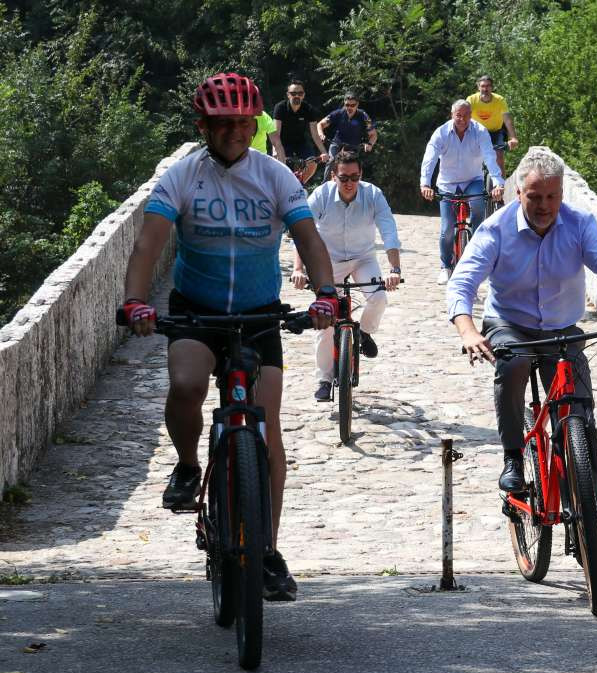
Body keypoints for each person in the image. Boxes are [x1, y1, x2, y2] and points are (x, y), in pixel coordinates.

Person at [119, 72, 339, 602]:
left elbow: (309, 239)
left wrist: (328, 296)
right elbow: (147, 247)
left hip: (260, 313)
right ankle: (190, 464)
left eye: (243, 122)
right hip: (197, 310)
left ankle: (266, 550)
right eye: (224, 124)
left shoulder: (275, 176)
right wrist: (135, 301)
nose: (235, 132)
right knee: (188, 385)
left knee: (268, 432)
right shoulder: (181, 177)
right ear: (205, 126)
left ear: (254, 123)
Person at [446, 147, 597, 492]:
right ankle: (513, 456)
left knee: (579, 401)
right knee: (514, 365)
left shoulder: (579, 224)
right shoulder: (496, 230)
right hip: (510, 323)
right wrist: (468, 331)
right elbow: (463, 281)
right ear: (518, 193)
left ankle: (587, 480)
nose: (544, 205)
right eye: (535, 197)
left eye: (551, 197)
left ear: (561, 194)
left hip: (562, 328)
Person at [291, 151, 402, 401]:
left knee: (379, 297)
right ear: (333, 176)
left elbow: (389, 232)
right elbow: (303, 233)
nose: (349, 182)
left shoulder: (373, 195)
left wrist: (395, 270)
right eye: (344, 178)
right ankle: (323, 379)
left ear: (361, 175)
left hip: (363, 258)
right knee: (325, 317)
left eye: (355, 177)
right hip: (327, 262)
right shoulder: (320, 196)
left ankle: (363, 332)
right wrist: (299, 270)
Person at [420, 99, 505, 285]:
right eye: (458, 115)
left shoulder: (480, 132)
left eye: (466, 115)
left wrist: (498, 182)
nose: (462, 119)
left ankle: (474, 253)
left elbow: (490, 157)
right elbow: (430, 158)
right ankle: (445, 266)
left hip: (472, 180)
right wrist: (425, 184)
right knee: (447, 229)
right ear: (452, 115)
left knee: (478, 209)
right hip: (447, 184)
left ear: (471, 115)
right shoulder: (441, 133)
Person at [272, 79, 329, 183]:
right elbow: (276, 134)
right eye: (293, 93)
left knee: (312, 163)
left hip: (301, 142)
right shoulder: (280, 108)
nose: (296, 96)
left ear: (303, 95)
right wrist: (275, 151)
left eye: (300, 93)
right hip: (283, 143)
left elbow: (315, 135)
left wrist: (324, 152)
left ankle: (300, 184)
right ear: (288, 95)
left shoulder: (308, 109)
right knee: (281, 167)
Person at [466, 75, 519, 176]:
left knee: (499, 157)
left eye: (488, 86)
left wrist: (513, 137)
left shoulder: (499, 100)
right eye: (483, 86)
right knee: (470, 157)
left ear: (492, 87)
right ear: (478, 87)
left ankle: (502, 187)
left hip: (495, 132)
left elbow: (507, 119)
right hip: (477, 132)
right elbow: (464, 116)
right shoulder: (471, 99)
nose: (485, 89)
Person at [317, 92, 378, 159]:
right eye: (347, 105)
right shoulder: (338, 113)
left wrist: (370, 144)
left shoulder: (364, 116)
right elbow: (320, 124)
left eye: (352, 105)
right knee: (330, 163)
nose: (349, 107)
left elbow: (373, 134)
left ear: (357, 104)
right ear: (344, 103)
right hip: (337, 144)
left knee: (351, 167)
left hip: (353, 147)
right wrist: (321, 135)